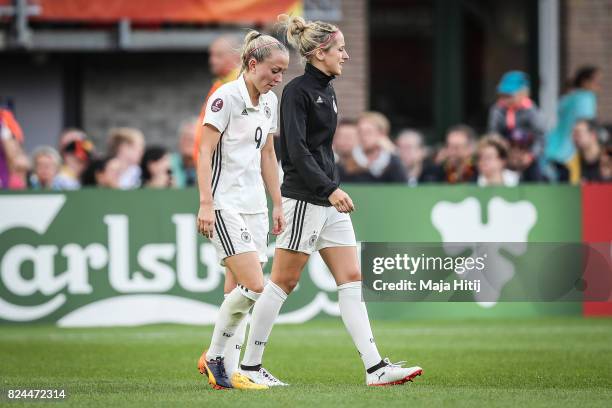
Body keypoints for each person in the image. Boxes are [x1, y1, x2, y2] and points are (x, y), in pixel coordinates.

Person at [237, 14, 422, 387]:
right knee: (282, 283)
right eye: (340, 49)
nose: (346, 55)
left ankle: (375, 368)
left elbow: (316, 151)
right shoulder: (297, 92)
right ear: (320, 53)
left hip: (324, 198)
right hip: (307, 199)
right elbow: (296, 152)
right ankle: (249, 368)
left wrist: (329, 189)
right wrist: (330, 189)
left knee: (352, 278)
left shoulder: (327, 89)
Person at [195, 29, 289, 390]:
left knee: (235, 288)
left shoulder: (270, 101)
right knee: (254, 285)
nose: (278, 79)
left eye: (282, 72)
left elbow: (267, 154)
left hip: (254, 206)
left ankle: (228, 370)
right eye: (273, 71)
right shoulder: (225, 98)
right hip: (224, 205)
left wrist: (277, 202)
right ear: (252, 64)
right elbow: (204, 152)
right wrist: (206, 203)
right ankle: (217, 356)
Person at [544, 66, 602, 175]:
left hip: (552, 147)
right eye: (596, 81)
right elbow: (587, 123)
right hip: (571, 152)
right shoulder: (587, 98)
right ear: (585, 82)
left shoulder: (567, 98)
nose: (599, 86)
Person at [193, 35, 242, 163]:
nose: (212, 60)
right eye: (211, 55)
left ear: (236, 56)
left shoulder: (239, 85)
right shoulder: (221, 84)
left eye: (219, 55)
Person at [488, 71, 545, 151]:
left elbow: (540, 136)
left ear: (523, 94)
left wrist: (531, 155)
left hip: (527, 153)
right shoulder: (497, 110)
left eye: (509, 96)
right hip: (505, 152)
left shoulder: (531, 111)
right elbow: (493, 132)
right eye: (503, 95)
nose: (505, 99)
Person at [352, 111, 407, 183]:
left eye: (368, 132)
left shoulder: (393, 162)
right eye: (360, 132)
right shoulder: (349, 160)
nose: (363, 136)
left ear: (382, 134)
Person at [566, 119, 605, 183]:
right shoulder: (570, 164)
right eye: (573, 134)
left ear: (593, 135)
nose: (573, 138)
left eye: (577, 133)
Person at [170, 118, 197, 187]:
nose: (188, 143)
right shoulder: (168, 164)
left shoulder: (211, 166)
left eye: (192, 138)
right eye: (185, 138)